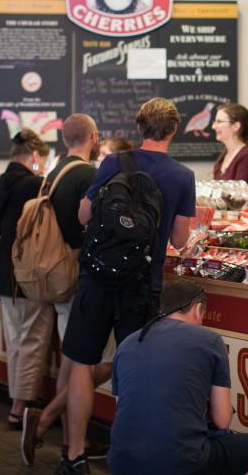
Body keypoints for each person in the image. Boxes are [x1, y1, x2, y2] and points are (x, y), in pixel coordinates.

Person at [58, 98, 196, 474]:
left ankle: (74, 456)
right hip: (142, 282)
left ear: (139, 128)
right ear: (173, 130)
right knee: (133, 367)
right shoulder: (182, 176)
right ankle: (127, 453)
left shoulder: (112, 163)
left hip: (97, 277)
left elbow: (84, 215)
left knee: (83, 365)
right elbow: (181, 240)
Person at [109, 280, 248, 475]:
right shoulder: (210, 340)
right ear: (197, 309)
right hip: (181, 460)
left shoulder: (127, 343)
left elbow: (122, 408)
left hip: (122, 462)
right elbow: (222, 420)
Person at [22, 114, 109, 466]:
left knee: (72, 363)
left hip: (56, 278)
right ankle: (48, 423)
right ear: (93, 136)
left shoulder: (55, 172)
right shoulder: (88, 174)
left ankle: (71, 440)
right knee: (88, 365)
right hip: (76, 276)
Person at [0, 129, 50, 430]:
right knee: (32, 343)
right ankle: (20, 409)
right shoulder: (36, 185)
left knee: (16, 343)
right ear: (36, 156)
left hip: (4, 274)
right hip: (29, 276)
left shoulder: (3, 181)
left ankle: (16, 403)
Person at [212, 103, 248, 191]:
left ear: (236, 126)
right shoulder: (224, 156)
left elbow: (239, 195)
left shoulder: (247, 156)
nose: (213, 126)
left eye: (219, 122)